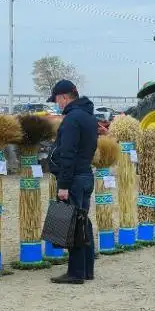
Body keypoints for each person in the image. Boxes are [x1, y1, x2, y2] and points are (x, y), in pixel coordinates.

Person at [47, 80, 98, 285]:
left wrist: (64, 185)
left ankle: (75, 272)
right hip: (86, 174)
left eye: (57, 100)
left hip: (74, 178)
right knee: (83, 221)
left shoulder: (71, 120)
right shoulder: (89, 117)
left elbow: (68, 154)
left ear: (64, 97)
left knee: (74, 223)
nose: (57, 104)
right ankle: (87, 269)